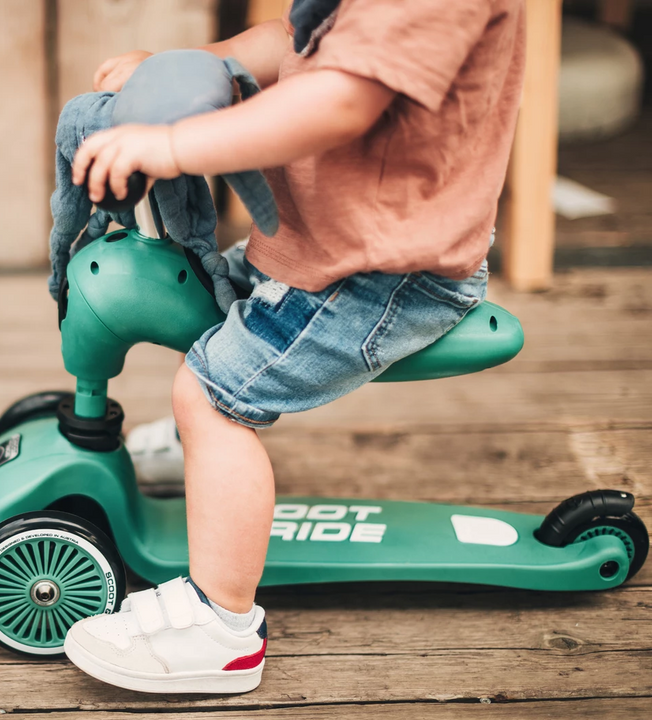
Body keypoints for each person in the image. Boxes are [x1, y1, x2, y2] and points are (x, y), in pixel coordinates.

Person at [62, 0, 526, 694]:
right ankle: (204, 460)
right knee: (206, 306)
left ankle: (220, 628)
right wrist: (195, 69)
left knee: (211, 398)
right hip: (324, 244)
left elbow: (341, 101)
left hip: (387, 276)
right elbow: (289, 41)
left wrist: (179, 145)